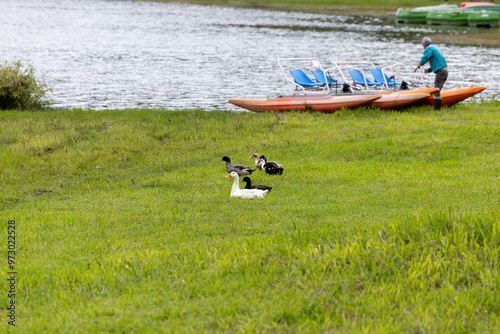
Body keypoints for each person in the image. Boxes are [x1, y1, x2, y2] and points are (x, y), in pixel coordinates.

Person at [414, 37, 448, 110]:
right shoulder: (435, 48)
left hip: (441, 72)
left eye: (423, 45)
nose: (423, 47)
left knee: (436, 90)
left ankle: (437, 109)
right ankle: (437, 106)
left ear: (425, 44)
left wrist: (419, 65)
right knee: (438, 89)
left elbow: (425, 58)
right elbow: (437, 64)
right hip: (444, 71)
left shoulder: (429, 48)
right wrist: (428, 70)